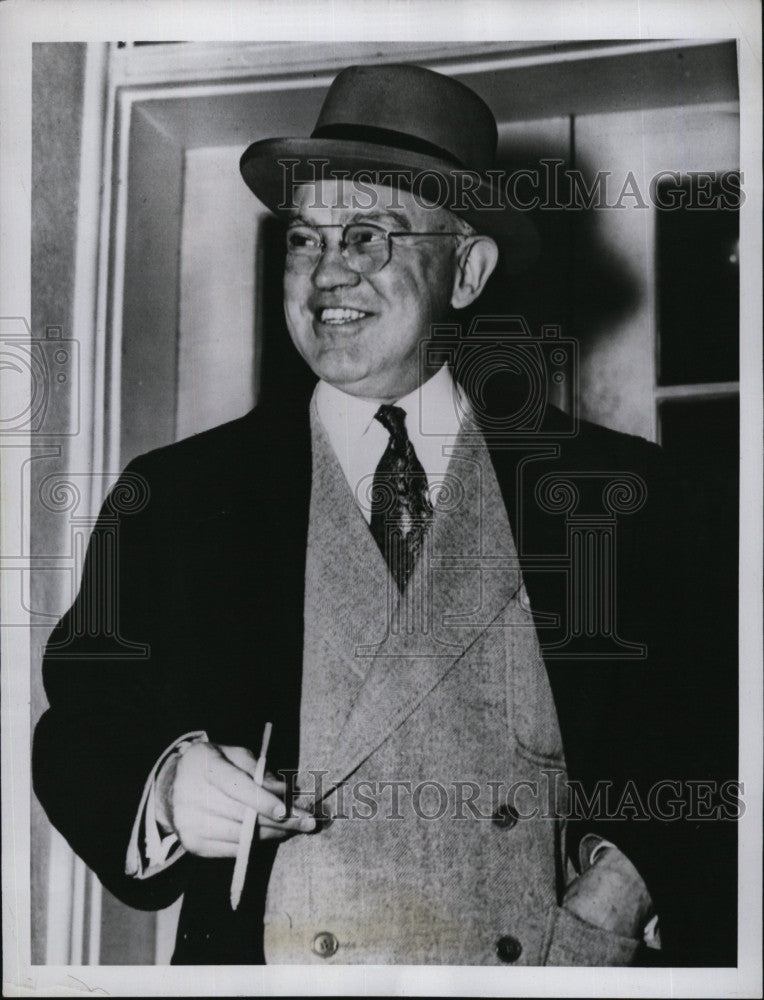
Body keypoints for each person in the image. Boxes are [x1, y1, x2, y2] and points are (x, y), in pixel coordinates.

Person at [33, 63, 730, 967]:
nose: (327, 273)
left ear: (468, 270)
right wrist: (166, 783)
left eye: (369, 235)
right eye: (302, 239)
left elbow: (720, 732)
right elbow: (80, 724)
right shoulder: (176, 495)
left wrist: (625, 886)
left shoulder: (632, 495)